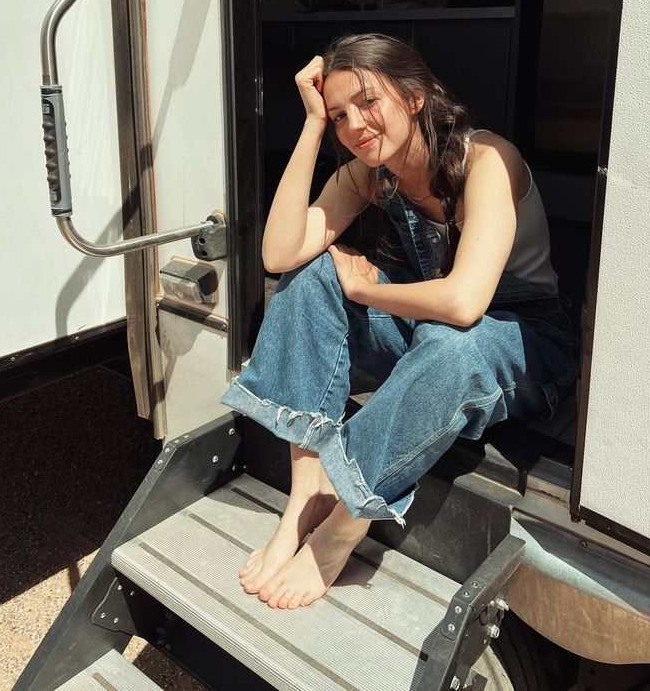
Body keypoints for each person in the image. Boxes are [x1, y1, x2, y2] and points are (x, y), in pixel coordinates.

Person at [221, 33, 577, 611]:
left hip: (525, 340)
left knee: (448, 342)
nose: (355, 124)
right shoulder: (370, 171)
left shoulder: (488, 161)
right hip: (434, 329)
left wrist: (364, 288)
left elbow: (466, 303)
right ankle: (305, 489)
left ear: (414, 97)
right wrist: (311, 125)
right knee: (310, 279)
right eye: (340, 114)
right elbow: (279, 253)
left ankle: (344, 521)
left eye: (368, 102)